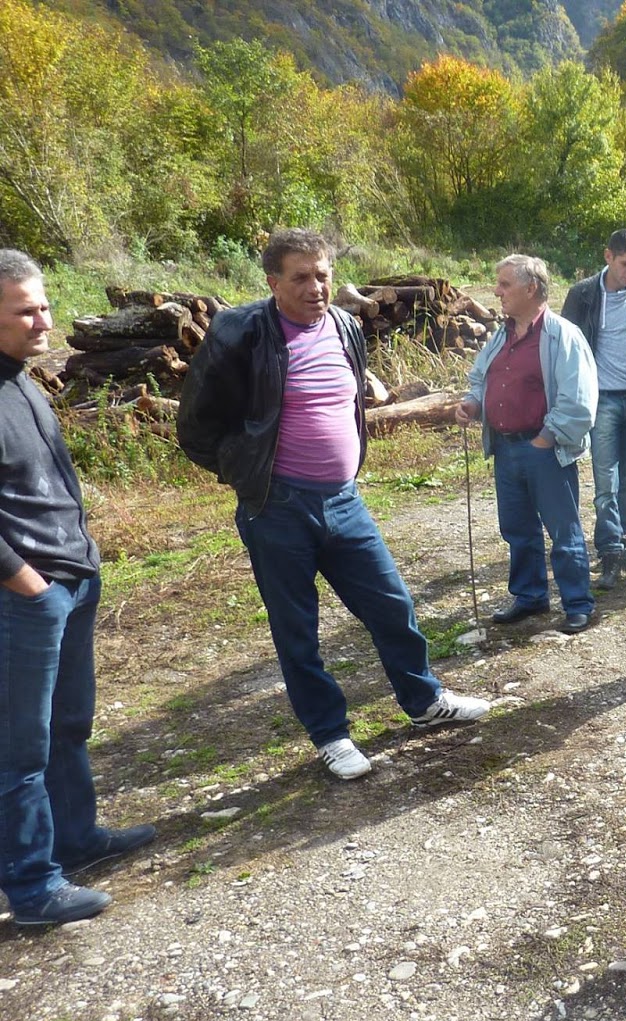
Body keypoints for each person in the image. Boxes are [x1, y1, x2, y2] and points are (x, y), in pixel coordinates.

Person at [178, 229, 490, 781]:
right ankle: (330, 735)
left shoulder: (345, 326)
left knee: (392, 605)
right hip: (277, 508)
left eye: (322, 274)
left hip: (344, 501)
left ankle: (423, 701)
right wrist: (248, 474)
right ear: (273, 283)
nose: (315, 287)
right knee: (298, 631)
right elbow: (197, 427)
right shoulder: (241, 332)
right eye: (300, 277)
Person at [1, 250, 155, 926]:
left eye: (45, 306)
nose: (44, 321)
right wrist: (27, 584)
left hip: (72, 579)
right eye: (26, 311)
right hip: (24, 598)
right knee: (19, 746)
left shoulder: (21, 379)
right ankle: (33, 887)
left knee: (68, 724)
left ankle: (77, 839)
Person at [458, 255, 599, 632]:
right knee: (517, 529)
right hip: (505, 449)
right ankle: (530, 596)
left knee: (563, 531)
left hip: (545, 450)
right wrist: (472, 403)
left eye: (505, 284)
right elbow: (479, 379)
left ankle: (578, 603)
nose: (496, 291)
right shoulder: (501, 335)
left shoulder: (563, 335)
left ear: (531, 288)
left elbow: (579, 401)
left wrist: (544, 439)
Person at [560, 230, 626, 591]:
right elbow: (567, 346)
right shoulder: (583, 294)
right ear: (608, 257)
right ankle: (609, 552)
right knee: (606, 481)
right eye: (625, 264)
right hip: (602, 399)